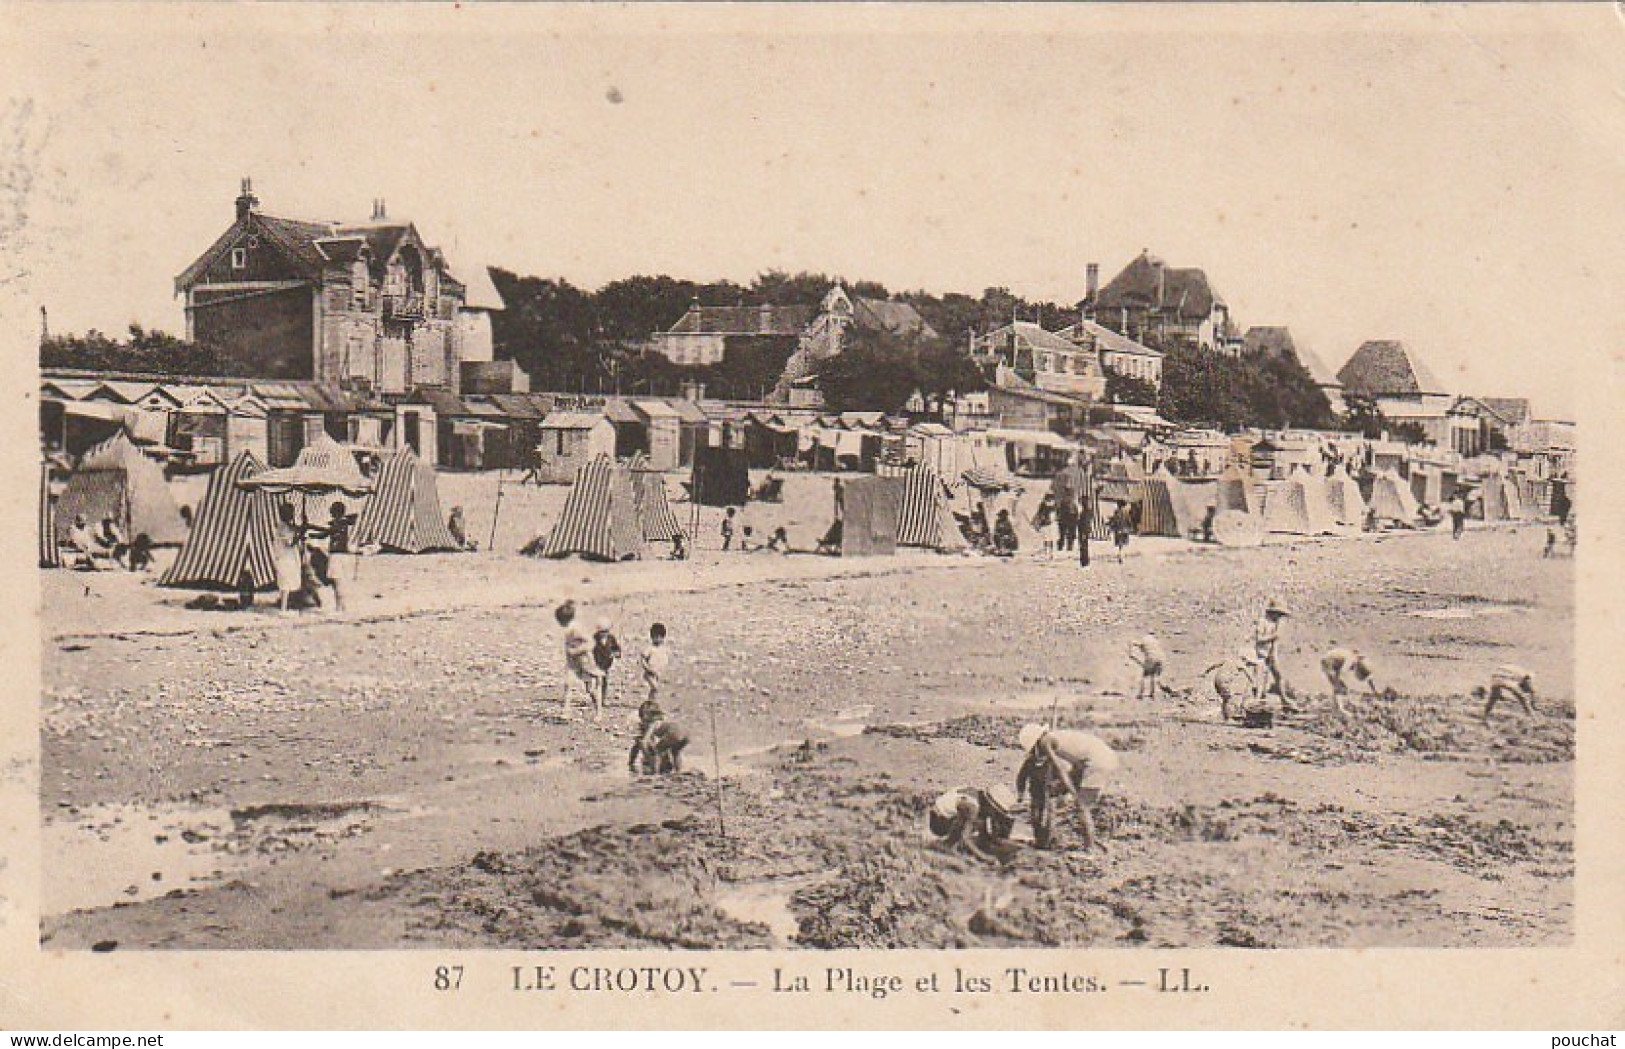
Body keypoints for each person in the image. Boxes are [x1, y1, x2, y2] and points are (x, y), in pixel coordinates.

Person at [1015, 724, 1118, 852]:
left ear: (1035, 743)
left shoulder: (1045, 742)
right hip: (1098, 758)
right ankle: (1082, 840)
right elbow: (1074, 766)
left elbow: (1060, 769)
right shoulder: (1054, 738)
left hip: (1097, 762)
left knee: (1082, 806)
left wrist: (1073, 793)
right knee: (1074, 800)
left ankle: (1089, 849)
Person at [927, 784, 1020, 862]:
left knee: (979, 821)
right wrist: (984, 857)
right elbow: (965, 838)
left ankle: (963, 843)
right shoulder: (972, 807)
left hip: (944, 814)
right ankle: (948, 845)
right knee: (976, 821)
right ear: (991, 805)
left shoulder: (979, 799)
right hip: (938, 822)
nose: (996, 816)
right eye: (996, 813)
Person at [555, 600, 604, 718]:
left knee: (590, 689)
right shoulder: (569, 629)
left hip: (584, 660)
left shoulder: (576, 629)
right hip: (573, 661)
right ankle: (566, 711)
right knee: (568, 683)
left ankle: (599, 712)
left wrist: (576, 651)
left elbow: (591, 643)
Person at [310, 500, 357, 612]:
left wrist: (310, 528)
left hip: (336, 556)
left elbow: (325, 533)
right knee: (339, 583)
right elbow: (326, 532)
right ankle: (341, 607)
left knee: (337, 583)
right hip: (343, 555)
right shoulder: (344, 523)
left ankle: (340, 608)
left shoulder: (338, 524)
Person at [628, 700, 690, 775]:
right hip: (685, 734)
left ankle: (655, 773)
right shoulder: (663, 720)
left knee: (658, 751)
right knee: (675, 752)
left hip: (673, 732)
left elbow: (644, 742)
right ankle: (678, 771)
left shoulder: (653, 723)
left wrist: (649, 758)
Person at [1252, 598, 1293, 710]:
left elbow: (1275, 643)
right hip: (1260, 655)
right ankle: (1256, 702)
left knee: (1278, 676)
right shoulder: (1263, 622)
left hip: (1271, 655)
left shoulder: (1275, 624)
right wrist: (1272, 636)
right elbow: (1258, 639)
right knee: (1260, 681)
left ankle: (1284, 700)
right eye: (1279, 614)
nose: (1280, 617)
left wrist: (1273, 654)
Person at [1208, 645, 1262, 723]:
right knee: (1229, 699)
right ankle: (1228, 718)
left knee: (1225, 699)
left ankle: (1225, 716)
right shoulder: (1241, 664)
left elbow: (1214, 665)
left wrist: (1206, 672)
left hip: (1217, 680)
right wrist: (1254, 683)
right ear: (1245, 659)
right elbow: (1248, 674)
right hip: (1224, 681)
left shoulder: (1228, 660)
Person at [1320, 646, 1380, 713]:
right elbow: (1342, 673)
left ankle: (1337, 706)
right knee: (1341, 688)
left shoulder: (1355, 659)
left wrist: (1374, 690)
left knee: (1340, 687)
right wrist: (1339, 684)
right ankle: (1339, 709)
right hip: (1329, 663)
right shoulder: (1351, 661)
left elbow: (1369, 678)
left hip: (1333, 663)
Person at [1050, 455, 1087, 555]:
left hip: (1064, 511)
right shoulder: (1073, 493)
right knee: (1070, 530)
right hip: (1070, 512)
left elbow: (1052, 488)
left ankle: (1062, 545)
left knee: (1063, 529)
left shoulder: (1059, 476)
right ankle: (1068, 545)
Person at [271, 502, 304, 612]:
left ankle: (284, 607)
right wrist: (299, 536)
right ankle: (283, 609)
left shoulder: (285, 526)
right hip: (285, 558)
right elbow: (290, 543)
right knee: (285, 582)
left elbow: (295, 529)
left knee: (286, 582)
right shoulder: (283, 527)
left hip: (286, 557)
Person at [592, 617, 622, 711]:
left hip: (606, 664)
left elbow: (616, 649)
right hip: (596, 663)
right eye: (602, 631)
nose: (604, 633)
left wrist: (615, 654)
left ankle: (602, 699)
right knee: (598, 682)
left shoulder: (611, 638)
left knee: (605, 681)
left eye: (606, 631)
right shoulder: (594, 638)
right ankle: (597, 700)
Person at [1129, 631, 1167, 701]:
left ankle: (1141, 694)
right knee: (1154, 676)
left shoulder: (1144, 640)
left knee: (1144, 676)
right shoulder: (1156, 641)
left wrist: (1131, 652)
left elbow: (1133, 643)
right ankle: (1153, 694)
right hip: (1161, 658)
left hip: (1151, 658)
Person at [640, 621, 670, 703]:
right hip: (650, 673)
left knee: (655, 690)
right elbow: (643, 659)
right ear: (651, 637)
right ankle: (651, 702)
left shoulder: (664, 648)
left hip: (658, 672)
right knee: (655, 688)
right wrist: (647, 668)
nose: (657, 639)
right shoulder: (650, 648)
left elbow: (666, 658)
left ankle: (651, 702)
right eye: (655, 637)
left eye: (660, 637)